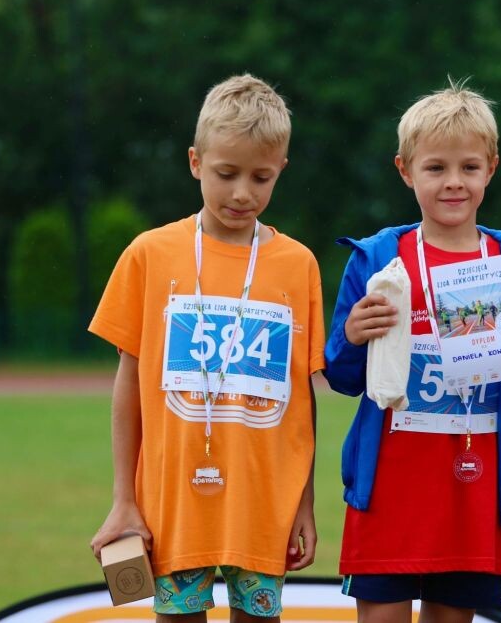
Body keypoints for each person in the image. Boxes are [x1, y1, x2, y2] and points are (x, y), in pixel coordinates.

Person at [324, 81, 501, 623]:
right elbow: (341, 374)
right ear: (405, 170)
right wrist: (352, 336)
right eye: (435, 168)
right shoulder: (378, 261)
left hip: (473, 486)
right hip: (391, 486)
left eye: (469, 167)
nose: (454, 182)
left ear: (491, 169)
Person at [88, 74, 324, 622]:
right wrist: (124, 499)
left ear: (281, 169)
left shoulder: (298, 265)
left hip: (263, 504)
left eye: (261, 177)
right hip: (172, 504)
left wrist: (304, 503)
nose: (242, 193)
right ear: (195, 162)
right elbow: (129, 384)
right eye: (226, 173)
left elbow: (301, 398)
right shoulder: (150, 254)